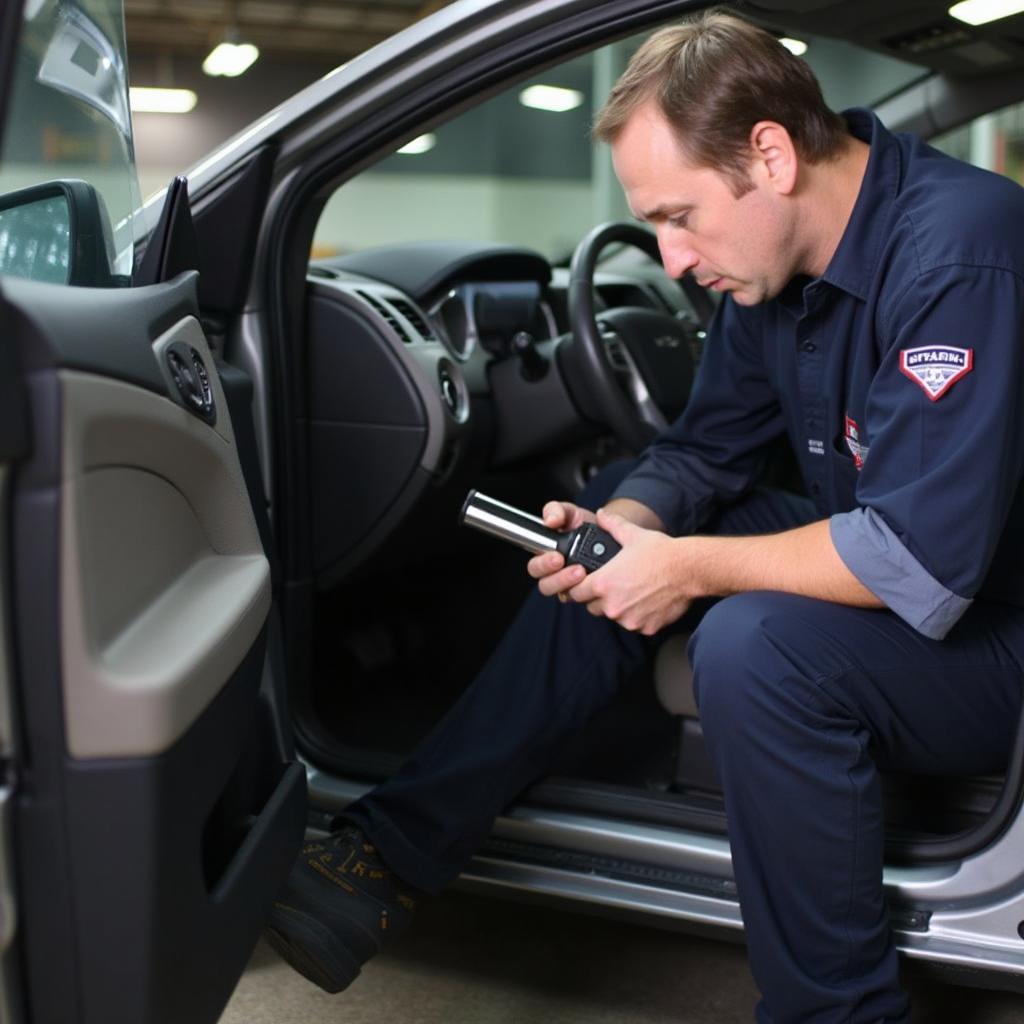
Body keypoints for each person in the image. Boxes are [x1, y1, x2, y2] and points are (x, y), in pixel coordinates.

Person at [265, 10, 1024, 1022]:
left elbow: (917, 559)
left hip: (995, 622)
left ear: (769, 155)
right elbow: (701, 451)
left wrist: (689, 568)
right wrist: (624, 526)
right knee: (616, 543)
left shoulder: (958, 253)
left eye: (680, 216)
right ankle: (384, 862)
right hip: (911, 557)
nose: (668, 260)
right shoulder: (771, 266)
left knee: (756, 644)